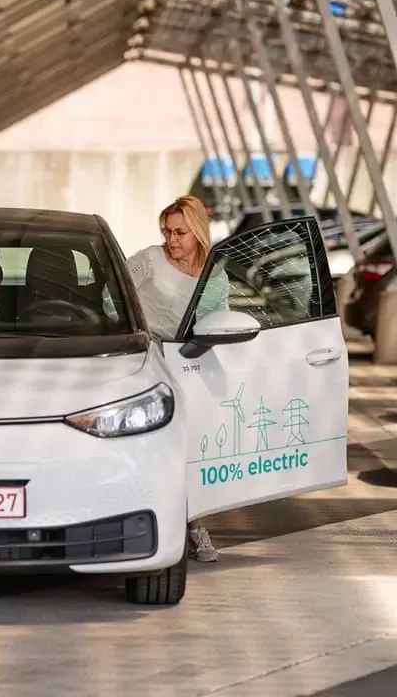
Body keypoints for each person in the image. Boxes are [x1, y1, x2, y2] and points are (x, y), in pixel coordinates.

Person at [125, 195, 229, 563]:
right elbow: (113, 292)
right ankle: (160, 522)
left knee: (192, 449)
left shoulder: (215, 276)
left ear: (198, 231)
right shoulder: (149, 260)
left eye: (179, 233)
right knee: (155, 447)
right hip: (146, 363)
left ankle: (195, 525)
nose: (171, 240)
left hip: (191, 367)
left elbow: (220, 322)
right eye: (167, 231)